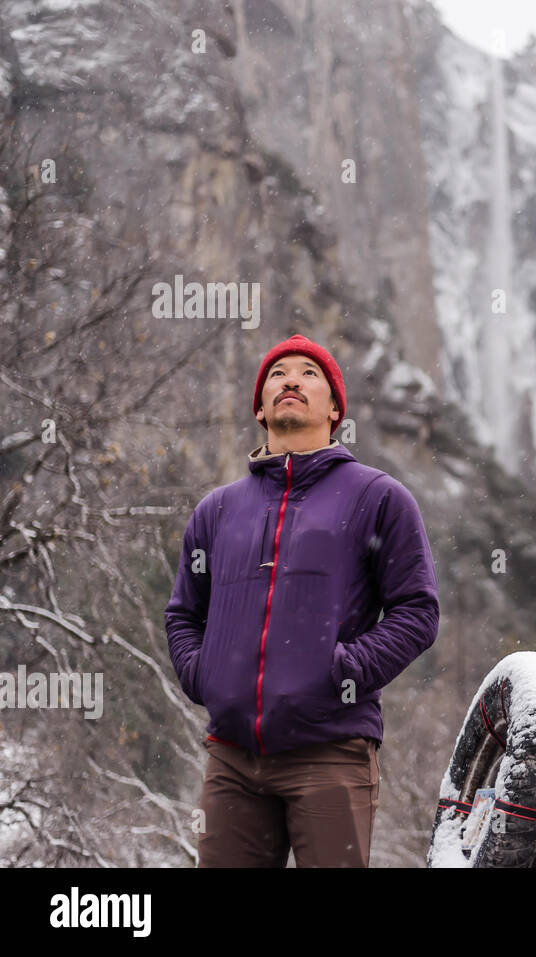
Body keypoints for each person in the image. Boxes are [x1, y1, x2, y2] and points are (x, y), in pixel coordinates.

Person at [164, 333, 440, 867]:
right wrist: (204, 675)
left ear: (335, 409)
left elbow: (417, 611)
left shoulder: (379, 497)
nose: (291, 380)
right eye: (277, 374)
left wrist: (343, 670)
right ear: (260, 407)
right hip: (232, 758)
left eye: (309, 373)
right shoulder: (216, 511)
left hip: (331, 749)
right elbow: (183, 614)